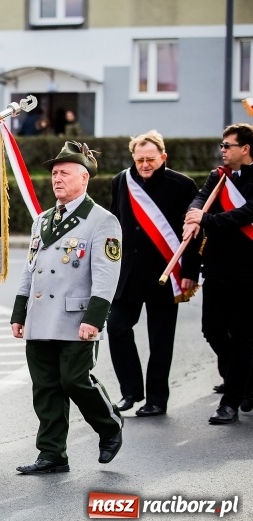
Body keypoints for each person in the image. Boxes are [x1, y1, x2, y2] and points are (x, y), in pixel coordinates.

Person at [10, 140, 124, 474]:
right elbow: (30, 270)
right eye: (54, 173)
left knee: (75, 380)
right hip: (40, 318)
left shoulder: (102, 221)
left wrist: (95, 319)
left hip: (76, 319)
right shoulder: (42, 221)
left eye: (64, 173)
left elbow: (106, 276)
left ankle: (109, 425)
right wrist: (19, 314)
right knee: (45, 388)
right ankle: (52, 454)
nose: (56, 178)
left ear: (84, 178)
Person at [107, 130, 200, 417]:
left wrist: (190, 272)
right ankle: (131, 392)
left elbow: (194, 234)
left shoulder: (183, 185)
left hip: (165, 274)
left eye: (150, 159)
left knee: (160, 339)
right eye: (139, 160)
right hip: (129, 273)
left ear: (163, 157)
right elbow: (114, 224)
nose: (145, 165)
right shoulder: (121, 181)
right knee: (117, 328)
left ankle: (157, 399)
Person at [183, 123, 253, 425]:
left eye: (227, 145)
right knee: (212, 329)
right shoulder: (218, 176)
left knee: (243, 337)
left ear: (245, 149)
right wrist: (194, 215)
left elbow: (247, 213)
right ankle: (244, 379)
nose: (222, 150)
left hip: (248, 273)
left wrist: (207, 219)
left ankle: (231, 401)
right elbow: (200, 198)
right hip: (216, 270)